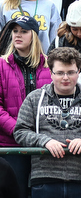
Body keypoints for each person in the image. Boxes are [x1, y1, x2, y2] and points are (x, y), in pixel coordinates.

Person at [0, 15, 49, 196]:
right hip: (11, 144)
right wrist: (20, 131)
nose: (18, 35)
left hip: (44, 144)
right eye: (15, 31)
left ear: (34, 35)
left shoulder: (50, 65)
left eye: (24, 31)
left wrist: (42, 136)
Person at [14, 47, 81, 198]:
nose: (65, 77)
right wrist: (44, 141)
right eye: (59, 73)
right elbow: (20, 131)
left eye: (71, 72)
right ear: (51, 73)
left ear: (78, 72)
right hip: (45, 179)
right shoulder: (35, 98)